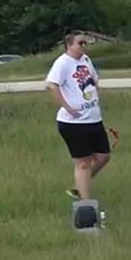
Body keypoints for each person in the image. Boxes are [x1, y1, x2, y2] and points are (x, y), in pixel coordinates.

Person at [46, 33, 111, 201]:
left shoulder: (86, 60)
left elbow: (95, 81)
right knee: (83, 163)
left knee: (103, 156)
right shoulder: (63, 63)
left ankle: (79, 185)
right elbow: (51, 85)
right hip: (73, 122)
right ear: (69, 45)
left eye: (85, 43)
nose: (84, 46)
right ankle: (86, 204)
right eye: (80, 43)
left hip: (93, 119)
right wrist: (67, 106)